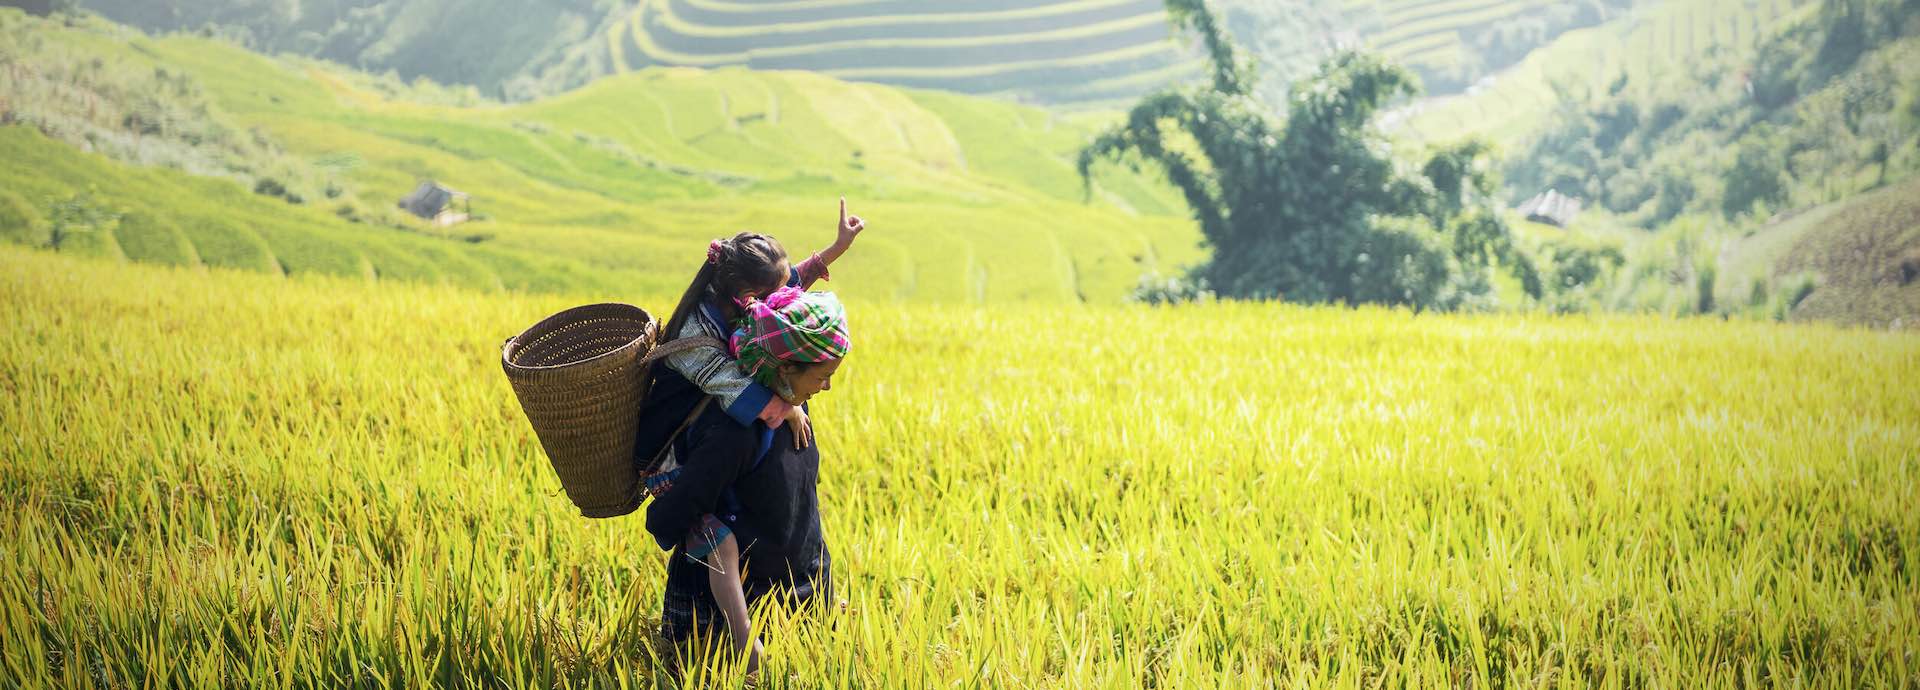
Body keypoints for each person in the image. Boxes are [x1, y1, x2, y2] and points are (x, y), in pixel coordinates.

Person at [640, 288, 851, 673]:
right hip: (737, 624)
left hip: (799, 598)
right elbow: (671, 514)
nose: (827, 386)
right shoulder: (734, 432)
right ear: (786, 369)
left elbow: (802, 507)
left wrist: (824, 594)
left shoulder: (793, 411)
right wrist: (702, 530)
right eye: (823, 376)